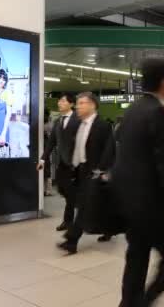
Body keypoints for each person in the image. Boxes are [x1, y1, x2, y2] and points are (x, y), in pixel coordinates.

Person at [113, 59, 164, 307]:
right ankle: (144, 302)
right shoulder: (158, 113)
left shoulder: (133, 111)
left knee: (136, 257)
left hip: (131, 205)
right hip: (153, 208)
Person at [57, 92, 115, 254]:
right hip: (81, 169)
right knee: (94, 204)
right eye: (78, 103)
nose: (78, 106)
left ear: (92, 105)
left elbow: (110, 150)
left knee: (83, 206)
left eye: (82, 103)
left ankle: (71, 240)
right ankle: (109, 228)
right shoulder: (78, 124)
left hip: (95, 171)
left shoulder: (102, 125)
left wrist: (103, 170)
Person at [38, 94, 80, 231]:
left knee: (73, 193)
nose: (59, 103)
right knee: (63, 189)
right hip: (63, 162)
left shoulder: (78, 120)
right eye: (59, 100)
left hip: (77, 163)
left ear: (71, 104)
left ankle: (69, 221)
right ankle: (72, 213)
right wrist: (43, 159)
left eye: (63, 101)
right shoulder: (58, 122)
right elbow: (51, 143)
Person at [43, 109, 54, 196]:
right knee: (46, 170)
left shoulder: (47, 125)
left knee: (46, 171)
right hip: (47, 149)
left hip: (46, 149)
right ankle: (47, 190)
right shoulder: (50, 124)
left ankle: (48, 190)